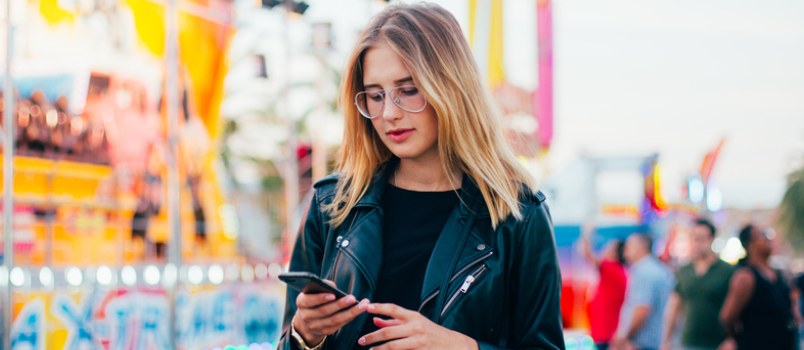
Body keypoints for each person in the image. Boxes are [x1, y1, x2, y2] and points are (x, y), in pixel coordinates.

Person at [278, 3, 564, 350]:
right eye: (375, 95)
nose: (389, 113)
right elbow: (287, 343)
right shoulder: (332, 205)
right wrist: (304, 335)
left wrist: (461, 347)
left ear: (451, 86)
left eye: (408, 89)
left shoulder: (517, 214)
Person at [661, 218, 735, 350]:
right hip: (689, 342)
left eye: (701, 239)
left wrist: (732, 339)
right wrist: (666, 339)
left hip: (718, 343)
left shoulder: (727, 271)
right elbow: (674, 305)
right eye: (694, 238)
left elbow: (736, 308)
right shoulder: (684, 271)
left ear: (711, 239)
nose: (697, 244)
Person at [720, 224, 797, 350]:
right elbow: (727, 317)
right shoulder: (746, 276)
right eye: (762, 235)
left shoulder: (777, 274)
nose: (768, 239)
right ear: (750, 245)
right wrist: (735, 339)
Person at [613, 233, 673, 350]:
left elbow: (642, 309)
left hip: (643, 343)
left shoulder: (645, 272)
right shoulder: (656, 268)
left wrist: (625, 337)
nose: (625, 252)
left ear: (641, 247)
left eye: (628, 247)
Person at [581, 235, 627, 350]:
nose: (605, 248)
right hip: (605, 334)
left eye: (609, 246)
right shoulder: (616, 271)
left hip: (606, 335)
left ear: (615, 253)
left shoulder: (611, 268)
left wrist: (587, 233)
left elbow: (587, 253)